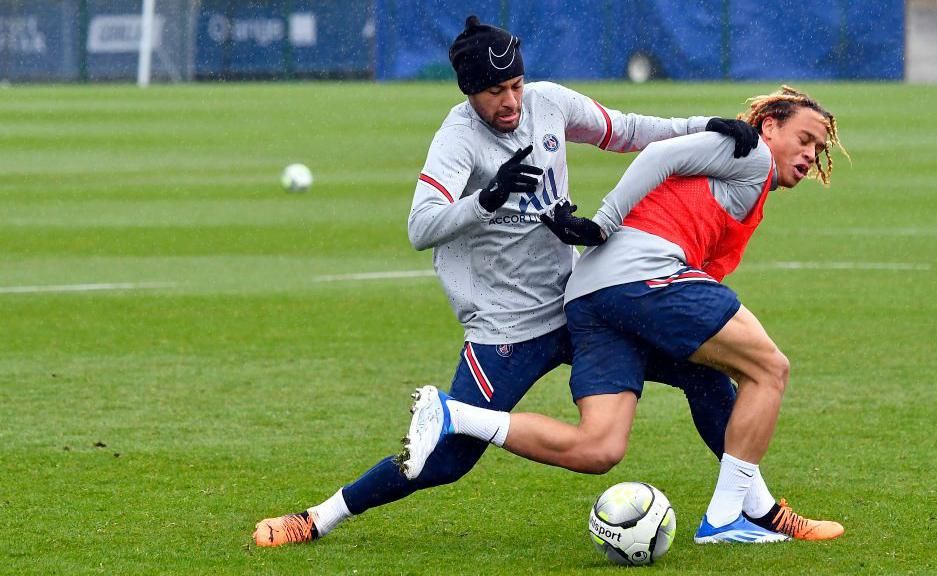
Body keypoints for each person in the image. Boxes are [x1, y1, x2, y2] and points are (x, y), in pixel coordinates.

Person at [252, 15, 761, 548]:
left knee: (703, 373)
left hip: (579, 304)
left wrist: (705, 125)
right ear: (470, 90)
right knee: (446, 460)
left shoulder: (549, 103)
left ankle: (749, 510)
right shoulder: (458, 138)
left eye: (515, 85)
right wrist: (487, 199)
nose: (511, 101)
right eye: (496, 91)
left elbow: (626, 130)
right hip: (505, 327)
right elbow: (420, 226)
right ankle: (316, 518)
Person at [402, 86, 849, 544]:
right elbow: (658, 154)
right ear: (770, 126)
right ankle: (727, 518)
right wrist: (602, 222)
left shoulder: (745, 183)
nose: (811, 154)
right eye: (805, 138)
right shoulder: (750, 152)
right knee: (770, 368)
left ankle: (456, 414)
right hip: (639, 276)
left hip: (591, 296)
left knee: (600, 446)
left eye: (818, 148)